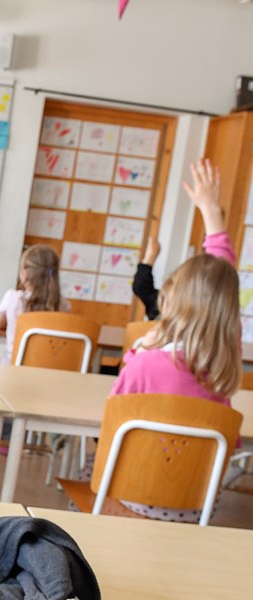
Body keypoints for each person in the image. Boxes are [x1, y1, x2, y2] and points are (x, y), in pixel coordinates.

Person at [79, 158, 241, 523]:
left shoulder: (145, 363)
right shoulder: (226, 360)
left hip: (131, 497)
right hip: (197, 504)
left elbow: (113, 424)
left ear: (171, 303)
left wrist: (138, 351)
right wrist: (212, 214)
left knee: (85, 466)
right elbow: (219, 284)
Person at [132, 159, 237, 321]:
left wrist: (211, 210)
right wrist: (211, 210)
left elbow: (219, 272)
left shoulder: (202, 317)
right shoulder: (219, 329)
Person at [0, 245, 71, 364]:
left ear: (24, 274)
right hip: (46, 370)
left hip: (13, 366)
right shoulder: (64, 305)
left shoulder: (13, 298)